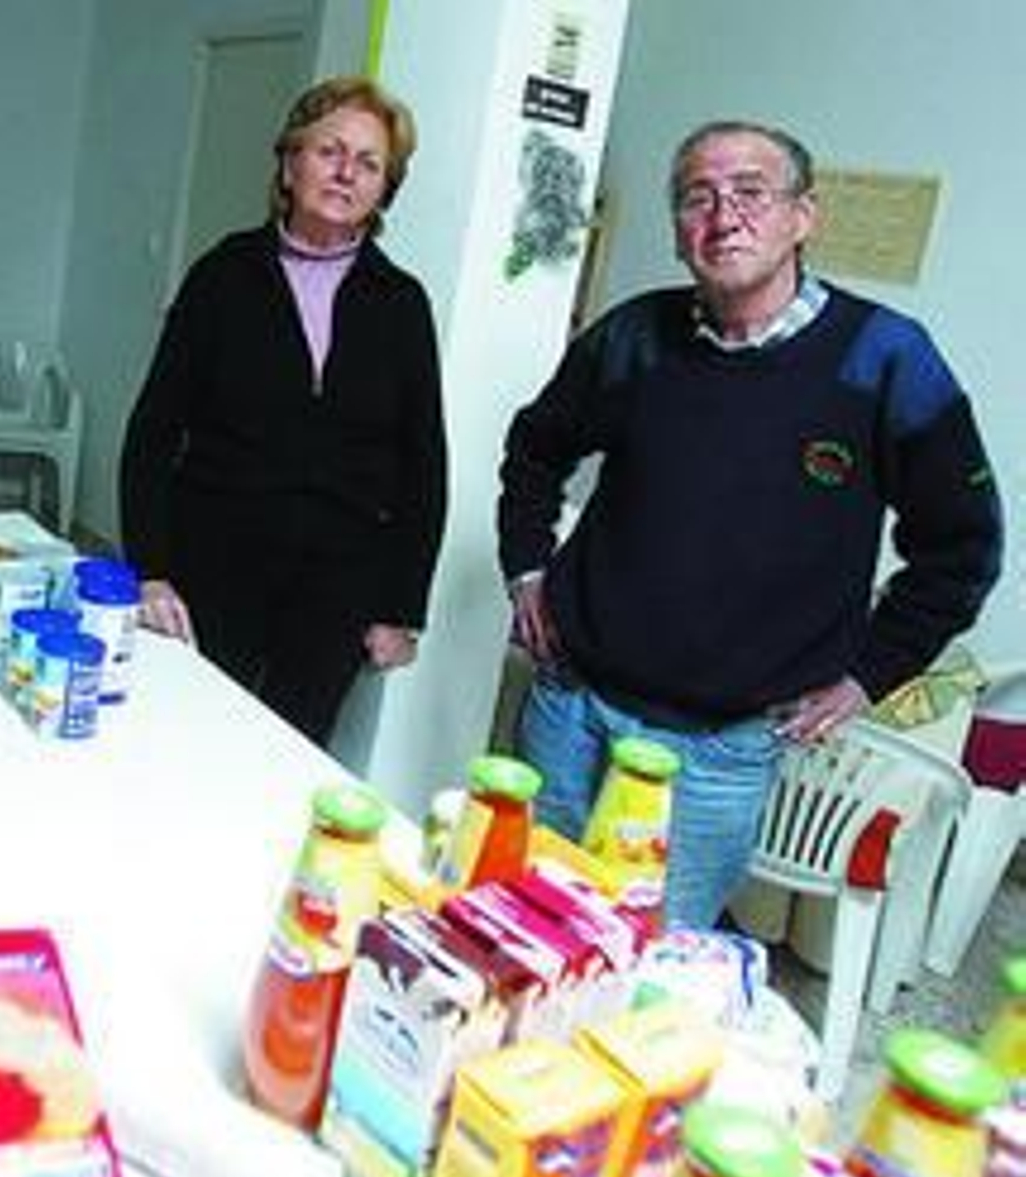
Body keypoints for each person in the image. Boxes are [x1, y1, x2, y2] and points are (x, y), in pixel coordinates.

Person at [496, 119, 1002, 929]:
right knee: (527, 923)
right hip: (571, 702)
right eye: (697, 196)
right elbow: (535, 448)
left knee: (650, 959)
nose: (723, 215)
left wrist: (871, 672)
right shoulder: (632, 336)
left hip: (719, 750)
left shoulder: (887, 359)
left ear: (804, 216)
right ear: (678, 229)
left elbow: (963, 549)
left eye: (750, 193)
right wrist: (527, 567)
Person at [120, 76, 448, 746]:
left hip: (338, 588)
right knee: (188, 740)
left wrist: (400, 608)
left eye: (369, 163)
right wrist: (148, 571)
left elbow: (424, 464)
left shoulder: (400, 302)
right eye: (330, 151)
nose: (345, 173)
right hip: (212, 566)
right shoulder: (224, 275)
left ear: (385, 188)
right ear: (291, 160)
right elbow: (154, 429)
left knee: (291, 755)